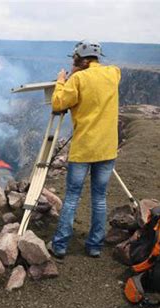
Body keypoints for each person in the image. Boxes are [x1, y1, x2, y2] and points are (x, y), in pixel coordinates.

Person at [47, 39, 121, 259]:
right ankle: (95, 246)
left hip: (84, 148)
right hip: (107, 148)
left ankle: (60, 245)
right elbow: (106, 77)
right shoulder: (113, 73)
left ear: (79, 59)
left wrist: (62, 80)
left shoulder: (78, 79)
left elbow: (58, 103)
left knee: (72, 197)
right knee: (99, 197)